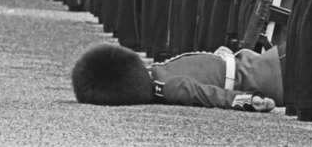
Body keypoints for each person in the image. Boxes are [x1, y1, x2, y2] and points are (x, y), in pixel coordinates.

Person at [71, 43, 283, 111]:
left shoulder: (155, 75)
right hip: (261, 75)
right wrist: (245, 101)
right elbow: (202, 93)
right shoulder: (164, 87)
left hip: (255, 64)